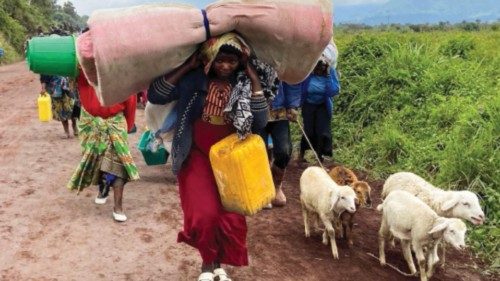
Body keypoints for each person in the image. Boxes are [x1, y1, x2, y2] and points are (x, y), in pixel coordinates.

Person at [148, 33, 276, 281]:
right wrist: (188, 65)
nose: (226, 66)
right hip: (196, 153)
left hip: (231, 158)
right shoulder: (194, 80)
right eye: (220, 60)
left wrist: (253, 78)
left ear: (241, 62)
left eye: (232, 61)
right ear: (210, 58)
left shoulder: (244, 84)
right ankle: (207, 264)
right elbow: (156, 95)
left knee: (230, 213)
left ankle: (218, 264)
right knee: (204, 212)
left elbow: (260, 122)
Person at [66, 70, 139, 222]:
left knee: (119, 165)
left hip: (115, 123)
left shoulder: (122, 74)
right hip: (93, 123)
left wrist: (126, 126)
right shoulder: (84, 73)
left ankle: (118, 207)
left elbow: (131, 102)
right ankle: (103, 189)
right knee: (98, 162)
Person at [258, 82, 301, 207]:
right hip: (256, 109)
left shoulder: (283, 62)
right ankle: (263, 188)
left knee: (284, 150)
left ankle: (276, 185)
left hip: (279, 111)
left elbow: (293, 78)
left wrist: (293, 105)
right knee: (260, 152)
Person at [296, 43, 340, 164]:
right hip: (308, 104)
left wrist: (329, 74)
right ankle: (302, 153)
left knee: (322, 131)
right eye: (318, 66)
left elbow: (334, 90)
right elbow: (299, 87)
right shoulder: (307, 74)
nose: (320, 68)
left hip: (323, 105)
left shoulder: (330, 74)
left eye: (322, 66)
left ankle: (319, 156)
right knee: (309, 130)